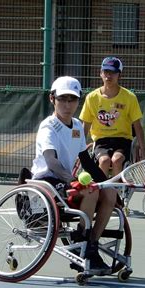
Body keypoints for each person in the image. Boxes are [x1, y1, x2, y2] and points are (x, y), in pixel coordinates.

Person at [31, 76, 116, 270]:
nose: (67, 105)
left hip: (66, 181)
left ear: (78, 101)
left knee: (109, 193)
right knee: (90, 191)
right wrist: (73, 180)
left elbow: (87, 161)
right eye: (63, 99)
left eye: (72, 100)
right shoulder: (48, 127)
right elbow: (51, 162)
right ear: (52, 99)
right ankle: (80, 240)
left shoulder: (77, 126)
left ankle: (90, 244)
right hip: (46, 182)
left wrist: (108, 182)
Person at [80, 56, 145, 177]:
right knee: (104, 161)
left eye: (113, 72)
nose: (109, 76)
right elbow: (85, 126)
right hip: (101, 141)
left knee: (117, 160)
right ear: (100, 73)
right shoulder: (91, 97)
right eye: (106, 72)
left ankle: (116, 193)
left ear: (119, 75)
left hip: (122, 140)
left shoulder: (129, 97)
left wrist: (143, 150)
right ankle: (102, 191)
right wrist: (78, 147)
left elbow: (137, 126)